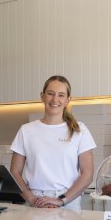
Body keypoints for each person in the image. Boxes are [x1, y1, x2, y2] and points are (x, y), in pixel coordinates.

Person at [10, 75, 96, 209]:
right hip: (35, 200)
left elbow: (88, 174)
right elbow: (14, 172)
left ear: (68, 100)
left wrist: (61, 200)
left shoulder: (80, 130)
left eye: (61, 95)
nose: (55, 99)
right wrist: (31, 198)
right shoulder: (26, 131)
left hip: (68, 201)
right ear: (42, 96)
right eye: (50, 94)